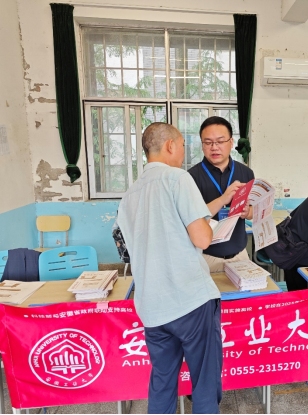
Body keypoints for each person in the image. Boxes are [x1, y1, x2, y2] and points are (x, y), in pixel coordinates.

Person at [117, 122, 222, 414]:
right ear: (170, 145)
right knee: (204, 382)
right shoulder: (177, 179)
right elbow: (202, 238)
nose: (183, 153)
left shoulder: (129, 194)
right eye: (183, 146)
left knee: (162, 381)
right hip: (189, 299)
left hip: (152, 305)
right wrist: (211, 227)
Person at [188, 116, 254, 272]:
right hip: (205, 258)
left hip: (240, 256)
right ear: (202, 145)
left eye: (220, 141)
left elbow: (253, 212)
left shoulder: (246, 172)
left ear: (231, 142)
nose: (214, 147)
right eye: (208, 142)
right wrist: (223, 199)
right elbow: (191, 221)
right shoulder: (190, 177)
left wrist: (247, 212)